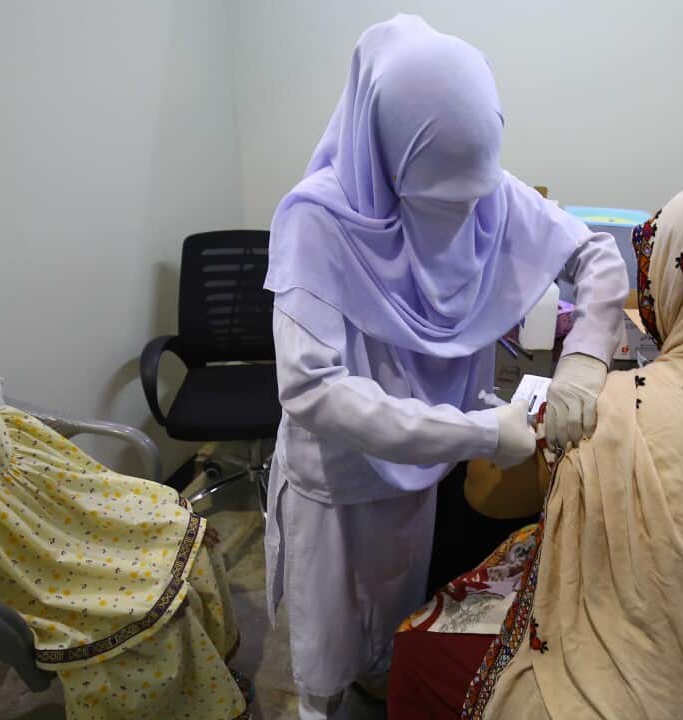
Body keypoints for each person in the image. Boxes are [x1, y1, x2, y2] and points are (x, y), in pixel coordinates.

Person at [263, 15, 628, 719]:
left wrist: (584, 358)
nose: (458, 223)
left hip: (429, 469)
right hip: (340, 481)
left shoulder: (485, 187)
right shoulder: (319, 221)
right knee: (327, 651)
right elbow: (313, 391)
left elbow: (597, 259)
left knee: (401, 615)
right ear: (387, 156)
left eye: (468, 201)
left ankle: (380, 679)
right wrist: (478, 434)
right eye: (433, 202)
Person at [388, 177, 683, 719]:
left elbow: (485, 492)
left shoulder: (622, 415)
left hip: (628, 688)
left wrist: (503, 425)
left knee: (418, 647)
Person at [0, 313, 250, 720]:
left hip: (64, 537)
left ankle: (207, 686)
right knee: (153, 619)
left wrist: (160, 516)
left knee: (191, 540)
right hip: (30, 576)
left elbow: (80, 482)